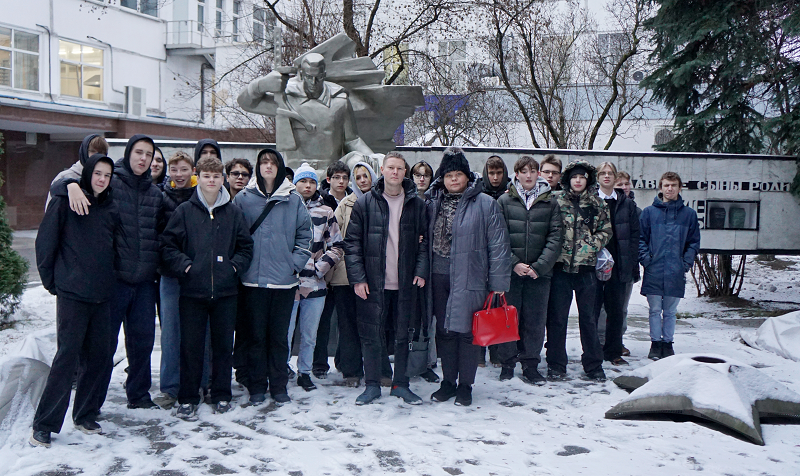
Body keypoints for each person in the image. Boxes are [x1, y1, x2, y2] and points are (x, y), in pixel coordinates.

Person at [54, 135, 165, 411]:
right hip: (113, 281)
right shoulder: (111, 181)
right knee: (102, 348)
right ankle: (92, 404)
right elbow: (63, 184)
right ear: (128, 153)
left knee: (143, 342)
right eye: (138, 152)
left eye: (148, 154)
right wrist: (70, 185)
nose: (143, 159)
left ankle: (138, 395)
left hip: (144, 281)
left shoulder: (156, 194)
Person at [31, 154, 118, 448]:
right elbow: (45, 243)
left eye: (107, 175)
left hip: (102, 295)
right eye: (98, 173)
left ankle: (85, 414)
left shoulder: (110, 207)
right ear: (88, 173)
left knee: (99, 357)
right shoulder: (65, 201)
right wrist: (52, 282)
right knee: (67, 359)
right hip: (73, 294)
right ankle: (44, 425)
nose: (102, 179)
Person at [161, 157, 253, 420]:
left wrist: (233, 268)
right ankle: (188, 397)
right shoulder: (185, 211)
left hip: (226, 293)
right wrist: (186, 266)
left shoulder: (233, 212)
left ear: (222, 179)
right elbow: (168, 245)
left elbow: (246, 247)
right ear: (198, 178)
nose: (211, 181)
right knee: (191, 346)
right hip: (192, 292)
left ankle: (221, 394)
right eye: (206, 176)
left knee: (223, 346)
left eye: (215, 176)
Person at [427, 148, 511, 406]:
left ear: (467, 176)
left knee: (467, 333)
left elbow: (499, 245)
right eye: (448, 175)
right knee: (444, 331)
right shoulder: (432, 202)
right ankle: (448, 382)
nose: (453, 179)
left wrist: (498, 283)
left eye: (458, 174)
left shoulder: (485, 203)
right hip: (438, 275)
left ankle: (465, 385)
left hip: (471, 276)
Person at [344, 151, 428, 405]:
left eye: (400, 168)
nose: (395, 172)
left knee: (403, 335)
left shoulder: (417, 204)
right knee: (371, 335)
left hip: (405, 283)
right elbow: (352, 244)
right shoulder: (365, 203)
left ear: (405, 172)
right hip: (373, 282)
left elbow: (425, 242)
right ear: (382, 170)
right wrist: (358, 278)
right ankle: (372, 385)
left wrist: (420, 271)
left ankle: (401, 384)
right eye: (391, 167)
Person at [233, 148, 312, 405]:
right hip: (252, 281)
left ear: (279, 167)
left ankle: (278, 386)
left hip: (284, 282)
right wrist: (240, 266)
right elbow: (234, 235)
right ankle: (256, 385)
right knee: (255, 336)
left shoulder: (293, 199)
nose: (268, 166)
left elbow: (305, 234)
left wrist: (294, 265)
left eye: (273, 162)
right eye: (263, 162)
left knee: (279, 338)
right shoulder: (243, 199)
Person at [238, 52, 374, 169]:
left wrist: (375, 158)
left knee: (359, 161)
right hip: (295, 173)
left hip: (330, 173)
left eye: (318, 77)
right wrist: (260, 85)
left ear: (324, 75)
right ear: (302, 75)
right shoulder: (286, 97)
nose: (313, 83)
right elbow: (246, 104)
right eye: (309, 77)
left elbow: (352, 140)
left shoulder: (339, 101)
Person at [496, 156, 562, 384]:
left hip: (539, 275)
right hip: (511, 273)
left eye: (533, 171)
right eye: (524, 171)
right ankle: (507, 364)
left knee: (534, 322)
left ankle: (530, 364)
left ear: (538, 174)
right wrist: (513, 263)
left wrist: (539, 267)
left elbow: (555, 237)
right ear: (516, 174)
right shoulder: (504, 201)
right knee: (508, 319)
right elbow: (498, 237)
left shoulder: (550, 202)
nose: (528, 175)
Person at [545, 160, 611, 381]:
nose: (578, 180)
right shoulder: (555, 201)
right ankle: (556, 364)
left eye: (582, 177)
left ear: (588, 180)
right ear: (568, 179)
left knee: (589, 319)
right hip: (561, 268)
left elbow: (606, 231)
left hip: (587, 270)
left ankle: (593, 365)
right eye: (574, 177)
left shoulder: (598, 204)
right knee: (557, 319)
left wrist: (591, 245)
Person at [286, 163, 344, 390]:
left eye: (311, 181)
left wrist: (319, 268)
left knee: (310, 333)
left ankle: (305, 371)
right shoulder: (285, 207)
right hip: (288, 281)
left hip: (315, 283)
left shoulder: (325, 211)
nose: (307, 185)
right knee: (285, 332)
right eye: (303, 181)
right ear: (295, 184)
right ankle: (282, 369)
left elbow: (337, 245)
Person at [153, 150, 198, 409]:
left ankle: (200, 383)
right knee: (170, 333)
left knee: (199, 332)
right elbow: (160, 237)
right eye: (174, 170)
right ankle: (169, 388)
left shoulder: (201, 195)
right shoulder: (162, 197)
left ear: (193, 171)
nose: (179, 175)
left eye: (184, 169)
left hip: (197, 274)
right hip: (170, 274)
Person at [639, 172, 700, 360]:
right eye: (666, 185)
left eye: (673, 185)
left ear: (680, 188)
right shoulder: (649, 213)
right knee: (654, 310)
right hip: (654, 269)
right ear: (661, 187)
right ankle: (655, 344)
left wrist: (685, 263)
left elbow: (693, 242)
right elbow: (641, 239)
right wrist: (646, 260)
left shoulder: (689, 215)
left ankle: (668, 344)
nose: (670, 189)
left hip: (675, 270)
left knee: (671, 311)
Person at [329, 161, 378, 387]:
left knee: (371, 325)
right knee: (347, 325)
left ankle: (374, 369)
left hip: (375, 274)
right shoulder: (345, 204)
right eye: (358, 177)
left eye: (365, 176)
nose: (362, 180)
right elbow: (334, 236)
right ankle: (351, 371)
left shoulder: (382, 200)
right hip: (346, 275)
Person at [594, 162, 639, 366]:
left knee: (616, 310)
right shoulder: (591, 201)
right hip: (593, 264)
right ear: (597, 177)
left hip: (619, 264)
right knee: (593, 310)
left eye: (610, 173)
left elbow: (634, 235)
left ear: (614, 177)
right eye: (602, 173)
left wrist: (630, 261)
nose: (606, 176)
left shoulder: (627, 204)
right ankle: (593, 350)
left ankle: (613, 351)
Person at [311, 160, 352, 379]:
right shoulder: (320, 201)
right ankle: (319, 364)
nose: (341, 181)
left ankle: (343, 362)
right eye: (336, 177)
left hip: (345, 269)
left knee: (345, 321)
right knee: (322, 320)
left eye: (344, 177)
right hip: (323, 268)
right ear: (328, 179)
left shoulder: (354, 200)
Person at [45, 134, 109, 209]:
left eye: (101, 152)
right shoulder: (66, 176)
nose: (96, 155)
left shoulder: (107, 179)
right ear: (84, 152)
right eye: (93, 151)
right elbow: (51, 210)